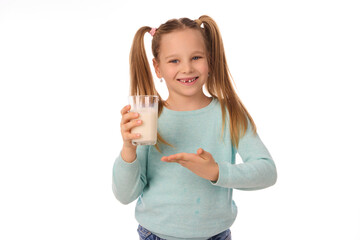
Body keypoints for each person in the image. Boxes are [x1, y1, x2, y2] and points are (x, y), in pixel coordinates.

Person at [112, 15, 277, 240]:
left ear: (209, 60)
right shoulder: (148, 117)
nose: (187, 68)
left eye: (196, 57)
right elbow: (124, 195)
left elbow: (267, 172)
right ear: (157, 68)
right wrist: (128, 150)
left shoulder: (229, 113)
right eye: (174, 61)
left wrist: (216, 172)